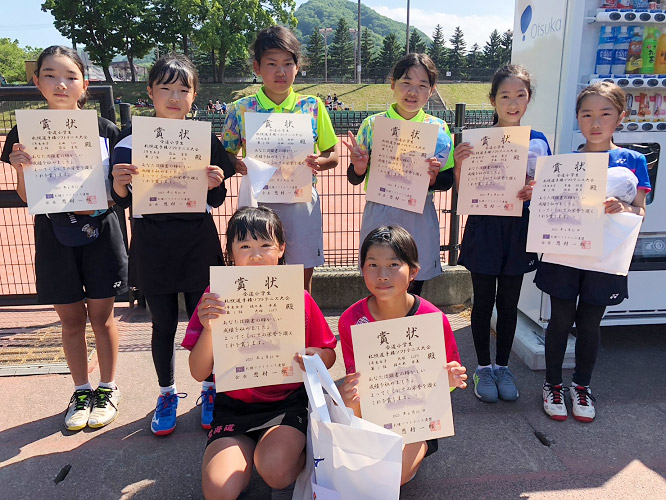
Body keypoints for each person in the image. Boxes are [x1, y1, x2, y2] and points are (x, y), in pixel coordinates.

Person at [1, 45, 128, 431]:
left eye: (71, 77)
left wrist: (108, 195)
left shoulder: (106, 130)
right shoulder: (24, 133)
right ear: (37, 82)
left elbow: (119, 193)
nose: (61, 84)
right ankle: (81, 389)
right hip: (54, 234)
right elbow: (27, 196)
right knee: (71, 320)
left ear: (84, 84)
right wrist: (20, 169)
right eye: (51, 76)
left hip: (101, 231)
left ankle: (107, 388)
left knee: (102, 318)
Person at [110, 54, 235, 435]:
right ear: (150, 92)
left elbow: (216, 200)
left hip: (197, 242)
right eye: (166, 88)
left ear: (194, 96)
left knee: (208, 321)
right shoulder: (128, 140)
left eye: (183, 89)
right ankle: (166, 393)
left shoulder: (204, 140)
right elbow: (121, 201)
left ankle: (210, 389)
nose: (175, 97)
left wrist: (214, 183)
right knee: (162, 324)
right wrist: (118, 183)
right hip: (153, 244)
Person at [184, 206, 337, 500]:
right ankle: (245, 457)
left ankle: (295, 458)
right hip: (233, 406)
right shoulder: (215, 297)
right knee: (218, 491)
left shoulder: (297, 296)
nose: (256, 255)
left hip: (286, 404)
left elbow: (329, 355)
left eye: (266, 244)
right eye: (244, 246)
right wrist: (210, 329)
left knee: (276, 472)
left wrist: (314, 355)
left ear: (281, 249)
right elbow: (198, 371)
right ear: (230, 252)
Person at [536, 82, 650, 423]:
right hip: (564, 254)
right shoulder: (564, 163)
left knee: (589, 323)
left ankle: (581, 385)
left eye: (605, 114)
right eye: (587, 115)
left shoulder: (633, 160)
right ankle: (552, 384)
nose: (595, 123)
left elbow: (641, 211)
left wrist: (624, 208)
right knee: (560, 320)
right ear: (578, 118)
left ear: (621, 117)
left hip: (605, 257)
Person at [452, 65, 552, 404]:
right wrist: (460, 164)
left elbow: (548, 188)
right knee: (483, 302)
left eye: (520, 95)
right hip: (484, 227)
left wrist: (535, 189)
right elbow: (464, 192)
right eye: (505, 96)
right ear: (492, 99)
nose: (513, 103)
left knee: (509, 304)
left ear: (529, 99)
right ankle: (483, 367)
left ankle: (503, 367)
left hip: (518, 228)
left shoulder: (538, 141)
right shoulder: (477, 140)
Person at [338, 226, 467, 486]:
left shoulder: (433, 319)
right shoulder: (351, 320)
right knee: (359, 473)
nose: (382, 275)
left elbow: (448, 380)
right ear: (362, 269)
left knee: (393, 478)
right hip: (374, 413)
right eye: (372, 265)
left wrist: (450, 381)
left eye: (393, 264)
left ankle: (414, 454)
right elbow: (358, 383)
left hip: (417, 417)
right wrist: (348, 395)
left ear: (413, 271)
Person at [224, 26, 339, 293]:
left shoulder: (312, 106)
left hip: (300, 201)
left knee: (301, 274)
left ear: (297, 67)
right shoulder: (241, 109)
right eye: (272, 64)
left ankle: (302, 320)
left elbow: (332, 154)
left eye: (288, 63)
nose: (280, 72)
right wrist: (236, 163)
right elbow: (226, 152)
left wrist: (319, 162)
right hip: (258, 204)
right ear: (257, 67)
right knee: (258, 272)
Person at [344, 53, 455, 297]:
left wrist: (433, 178)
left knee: (415, 284)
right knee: (380, 282)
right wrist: (360, 167)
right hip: (380, 211)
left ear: (432, 90)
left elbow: (447, 180)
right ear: (392, 83)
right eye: (406, 82)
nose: (413, 92)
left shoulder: (438, 129)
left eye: (422, 85)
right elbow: (354, 177)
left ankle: (409, 323)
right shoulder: (372, 125)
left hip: (419, 211)